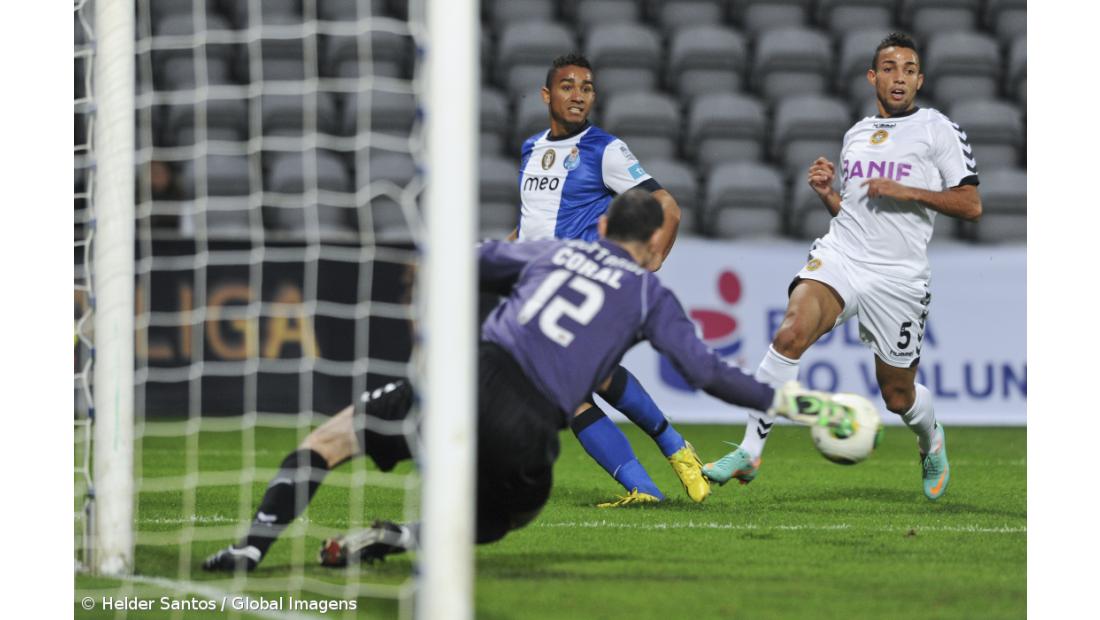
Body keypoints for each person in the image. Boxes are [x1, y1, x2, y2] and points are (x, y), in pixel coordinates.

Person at [203, 190, 845, 571]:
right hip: (532, 422)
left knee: (330, 441)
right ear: (654, 244)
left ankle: (251, 550)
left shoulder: (553, 251)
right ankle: (404, 539)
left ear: (599, 228)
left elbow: (462, 263)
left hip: (463, 377)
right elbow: (705, 372)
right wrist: (797, 403)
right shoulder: (650, 295)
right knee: (500, 516)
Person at [703, 32, 982, 501]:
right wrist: (830, 196)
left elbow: (971, 204)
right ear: (873, 77)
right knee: (790, 332)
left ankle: (929, 439)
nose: (900, 78)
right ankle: (750, 451)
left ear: (920, 80)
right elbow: (858, 214)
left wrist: (909, 191)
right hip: (843, 256)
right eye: (890, 68)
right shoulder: (856, 134)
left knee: (898, 396)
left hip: (899, 277)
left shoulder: (938, 129)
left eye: (909, 70)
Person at [508, 52, 703, 507]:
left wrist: (655, 257)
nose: (578, 95)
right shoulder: (530, 150)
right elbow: (530, 224)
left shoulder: (604, 149)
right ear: (546, 95)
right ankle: (660, 470)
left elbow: (667, 204)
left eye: (587, 87)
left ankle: (662, 464)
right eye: (568, 86)